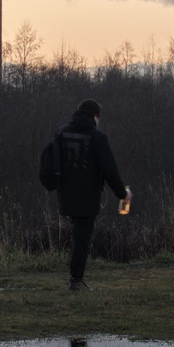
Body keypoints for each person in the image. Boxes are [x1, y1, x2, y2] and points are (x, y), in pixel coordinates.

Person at [41, 98, 130, 292]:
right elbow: (110, 170)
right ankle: (76, 280)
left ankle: (76, 277)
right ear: (95, 116)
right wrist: (122, 194)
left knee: (77, 235)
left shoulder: (62, 133)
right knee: (82, 238)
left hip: (65, 194)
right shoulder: (97, 137)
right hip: (88, 196)